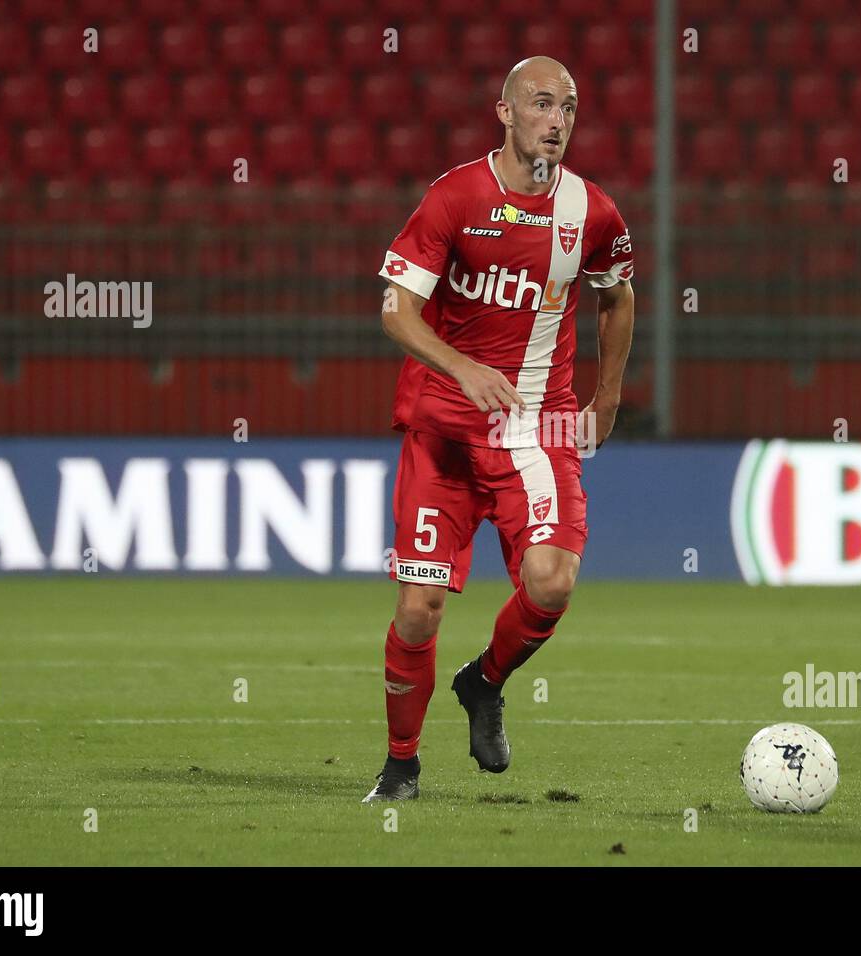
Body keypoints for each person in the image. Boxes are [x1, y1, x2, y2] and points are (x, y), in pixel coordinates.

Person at [364, 56, 636, 802]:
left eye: (570, 108)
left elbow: (618, 299)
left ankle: (484, 682)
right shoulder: (454, 197)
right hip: (445, 434)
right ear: (506, 112)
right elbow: (395, 310)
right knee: (418, 611)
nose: (558, 120)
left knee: (552, 580)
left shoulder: (592, 213)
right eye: (542, 104)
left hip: (536, 432)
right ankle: (400, 767)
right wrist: (462, 368)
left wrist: (606, 401)